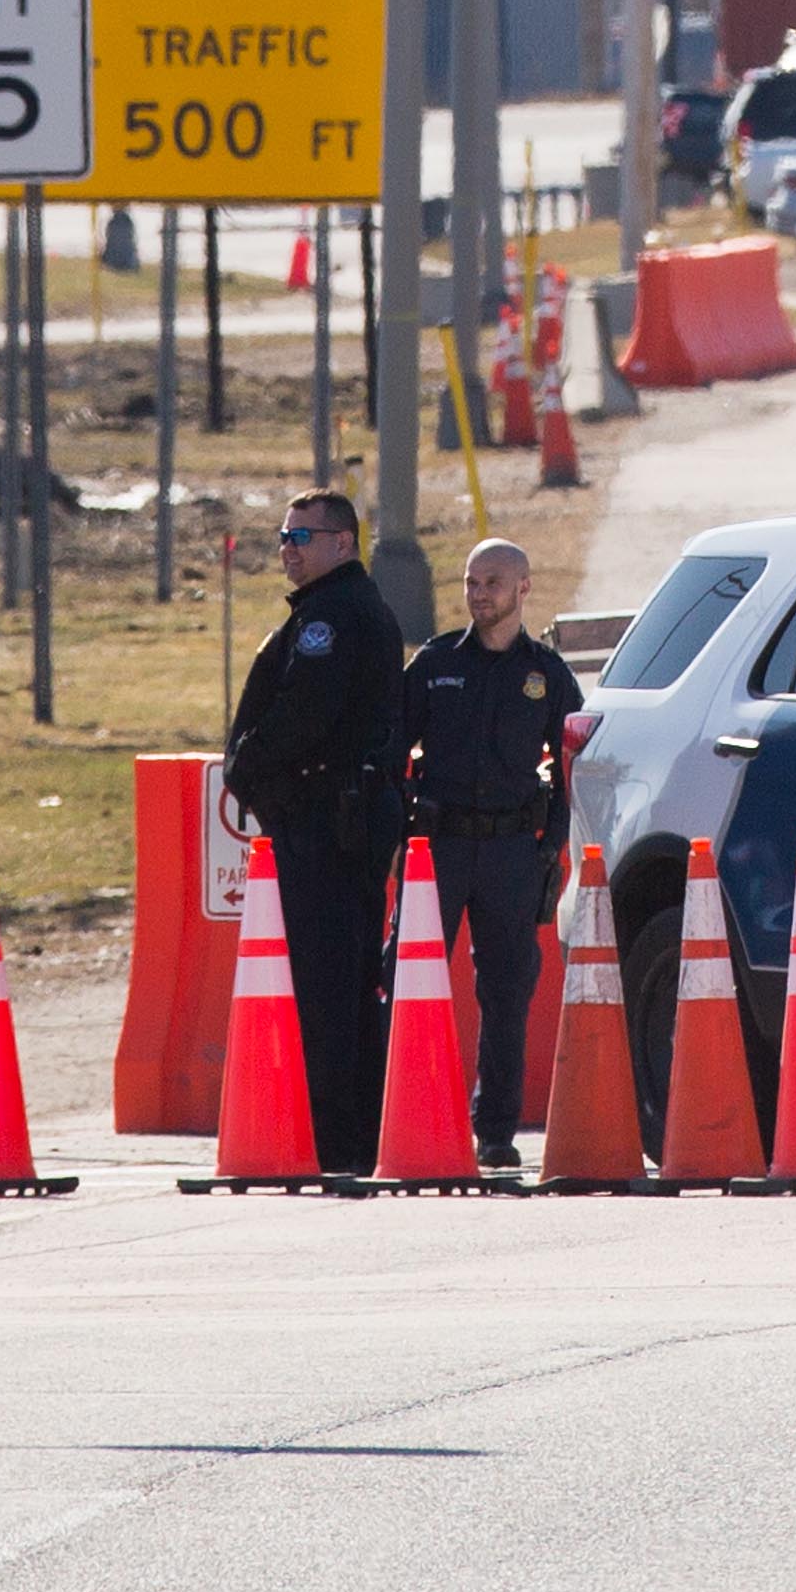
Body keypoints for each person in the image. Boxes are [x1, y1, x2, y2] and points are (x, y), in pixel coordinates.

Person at [222, 485, 406, 1169]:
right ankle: (346, 1131)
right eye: (282, 536)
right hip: (335, 822)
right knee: (338, 981)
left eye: (301, 537)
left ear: (341, 544)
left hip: (328, 825)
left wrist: (246, 762)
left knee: (328, 985)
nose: (286, 549)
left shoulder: (334, 618)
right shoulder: (335, 610)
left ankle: (337, 1137)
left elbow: (305, 715)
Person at [399, 535, 581, 1166]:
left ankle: (495, 1132)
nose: (479, 595)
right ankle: (404, 1119)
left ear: (523, 588)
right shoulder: (436, 663)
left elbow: (570, 769)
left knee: (507, 993)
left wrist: (550, 852)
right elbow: (393, 746)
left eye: (493, 583)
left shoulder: (548, 676)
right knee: (408, 981)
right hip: (441, 845)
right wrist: (403, 834)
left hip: (511, 851)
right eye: (472, 583)